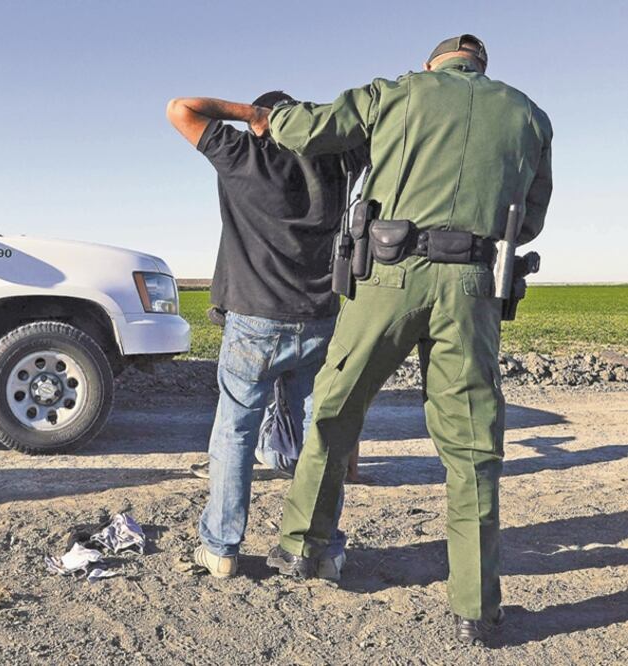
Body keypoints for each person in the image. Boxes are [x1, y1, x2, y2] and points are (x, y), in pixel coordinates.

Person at [260, 35, 553, 647]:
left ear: (433, 65)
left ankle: (303, 548)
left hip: (390, 276)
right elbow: (529, 218)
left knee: (337, 408)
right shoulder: (529, 115)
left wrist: (269, 117)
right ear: (481, 68)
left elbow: (302, 130)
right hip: (475, 286)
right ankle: (476, 607)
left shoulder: (396, 92)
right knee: (473, 445)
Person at [165, 92, 365, 580]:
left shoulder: (242, 156)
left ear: (262, 125)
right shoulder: (338, 163)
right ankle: (322, 550)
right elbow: (371, 132)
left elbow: (180, 108)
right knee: (318, 437)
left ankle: (221, 548)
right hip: (319, 318)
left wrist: (252, 117)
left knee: (235, 431)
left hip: (254, 320)